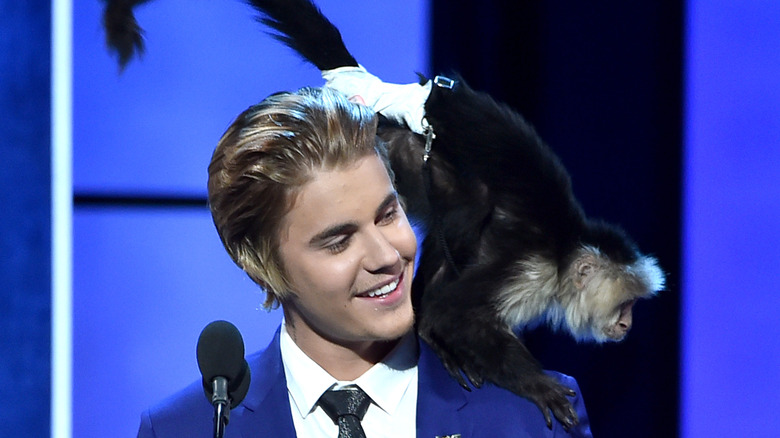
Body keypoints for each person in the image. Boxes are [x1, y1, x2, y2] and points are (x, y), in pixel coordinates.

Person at [136, 86, 592, 437]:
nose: (388, 255)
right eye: (338, 241)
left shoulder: (531, 418)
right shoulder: (189, 428)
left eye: (388, 214)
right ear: (261, 268)